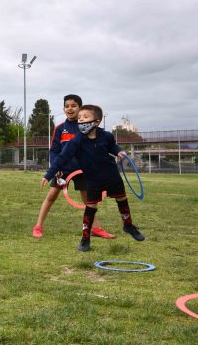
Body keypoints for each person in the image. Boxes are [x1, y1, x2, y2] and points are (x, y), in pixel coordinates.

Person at [42, 104, 145, 252]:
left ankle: (128, 225)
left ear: (96, 121)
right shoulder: (76, 141)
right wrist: (49, 174)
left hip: (111, 176)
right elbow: (62, 158)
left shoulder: (107, 136)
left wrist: (119, 152)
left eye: (85, 117)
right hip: (92, 179)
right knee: (91, 207)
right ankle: (85, 239)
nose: (81, 121)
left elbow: (113, 147)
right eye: (79, 118)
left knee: (122, 199)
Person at [32, 94, 114, 239]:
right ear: (63, 108)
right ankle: (38, 226)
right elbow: (54, 150)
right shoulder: (59, 128)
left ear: (80, 108)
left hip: (82, 170)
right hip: (63, 170)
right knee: (51, 196)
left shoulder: (86, 127)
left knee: (88, 200)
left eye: (73, 106)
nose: (70, 109)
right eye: (67, 106)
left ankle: (95, 228)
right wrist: (55, 169)